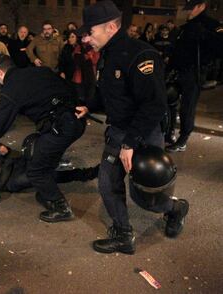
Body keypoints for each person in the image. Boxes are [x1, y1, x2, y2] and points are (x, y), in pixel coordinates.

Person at [77, 0, 189, 254]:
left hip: (143, 131)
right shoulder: (107, 55)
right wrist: (88, 106)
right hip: (118, 130)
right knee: (107, 183)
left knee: (145, 197)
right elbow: (110, 93)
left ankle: (175, 209)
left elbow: (154, 105)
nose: (85, 38)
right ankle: (124, 235)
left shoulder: (141, 55)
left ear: (111, 27)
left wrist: (130, 144)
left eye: (89, 32)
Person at [0, 55, 87, 222]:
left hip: (58, 128)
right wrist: (80, 103)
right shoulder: (41, 71)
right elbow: (68, 86)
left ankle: (61, 208)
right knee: (45, 156)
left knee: (36, 170)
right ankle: (48, 192)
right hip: (76, 121)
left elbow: (1, 122)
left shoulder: (10, 88)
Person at [0, 131, 98, 208]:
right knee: (42, 176)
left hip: (14, 164)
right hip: (8, 181)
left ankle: (81, 172)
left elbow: (13, 154)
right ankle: (85, 174)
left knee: (40, 162)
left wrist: (5, 150)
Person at [166, 0, 223, 152]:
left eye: (191, 9)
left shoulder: (211, 24)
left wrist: (205, 34)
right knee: (169, 101)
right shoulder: (188, 25)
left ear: (202, 6)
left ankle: (183, 139)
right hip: (178, 71)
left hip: (194, 72)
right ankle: (168, 132)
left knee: (187, 107)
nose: (188, 12)